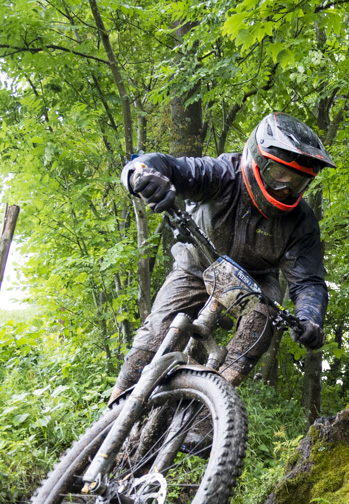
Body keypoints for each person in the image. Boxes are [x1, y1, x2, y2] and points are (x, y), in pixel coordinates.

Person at [109, 112, 335, 401]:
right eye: (280, 175)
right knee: (152, 338)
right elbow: (167, 166)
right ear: (257, 161)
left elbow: (308, 282)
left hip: (256, 282)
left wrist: (310, 317)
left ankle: (212, 412)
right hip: (196, 267)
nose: (286, 188)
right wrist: (141, 174)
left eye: (298, 182)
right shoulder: (222, 174)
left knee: (261, 322)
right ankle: (116, 409)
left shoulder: (301, 222)